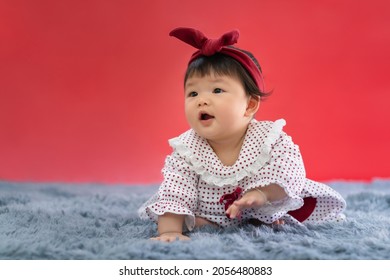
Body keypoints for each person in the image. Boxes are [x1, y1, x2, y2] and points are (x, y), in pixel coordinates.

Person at [138, 27, 346, 242]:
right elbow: (176, 190)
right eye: (193, 93)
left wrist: (263, 194)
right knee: (181, 214)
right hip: (208, 212)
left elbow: (288, 170)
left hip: (261, 205)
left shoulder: (269, 139)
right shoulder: (186, 149)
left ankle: (260, 218)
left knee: (285, 206)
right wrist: (170, 231)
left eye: (217, 90)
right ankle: (209, 223)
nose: (202, 100)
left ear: (250, 105)